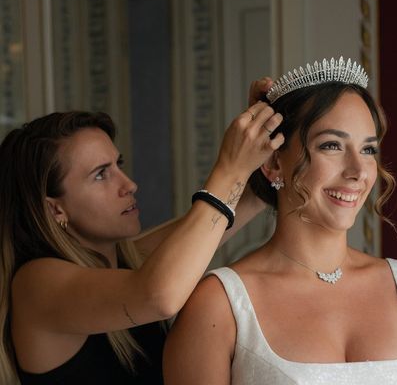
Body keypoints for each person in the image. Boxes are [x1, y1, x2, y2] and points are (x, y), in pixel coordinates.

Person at [164, 57, 397, 384]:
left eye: (368, 150)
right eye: (332, 145)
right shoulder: (217, 305)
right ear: (273, 162)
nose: (358, 172)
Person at [0, 80, 284, 384]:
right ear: (55, 209)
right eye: (101, 175)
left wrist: (271, 128)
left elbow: (246, 200)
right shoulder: (36, 284)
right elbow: (160, 295)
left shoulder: (126, 260)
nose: (129, 185)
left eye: (117, 164)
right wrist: (229, 168)